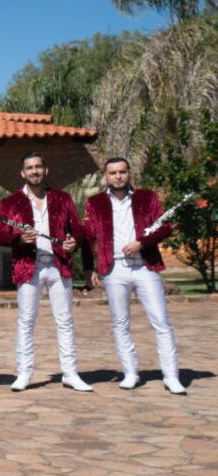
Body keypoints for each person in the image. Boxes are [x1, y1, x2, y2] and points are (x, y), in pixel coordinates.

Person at [83, 157, 185, 393]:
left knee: (161, 321)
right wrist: (88, 268)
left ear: (129, 173)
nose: (118, 176)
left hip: (145, 267)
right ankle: (130, 373)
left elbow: (165, 227)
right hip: (114, 269)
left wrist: (142, 242)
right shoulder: (95, 202)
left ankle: (171, 376)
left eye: (122, 172)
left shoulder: (147, 197)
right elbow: (88, 236)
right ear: (105, 177)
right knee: (120, 323)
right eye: (113, 173)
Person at [0, 152, 91, 392]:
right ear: (23, 173)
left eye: (38, 167)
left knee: (65, 320)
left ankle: (70, 373)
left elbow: (78, 230)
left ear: (46, 170)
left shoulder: (63, 198)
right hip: (28, 266)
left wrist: (74, 242)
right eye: (29, 168)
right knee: (26, 320)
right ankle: (24, 374)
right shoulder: (10, 202)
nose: (34, 171)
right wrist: (19, 238)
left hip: (59, 265)